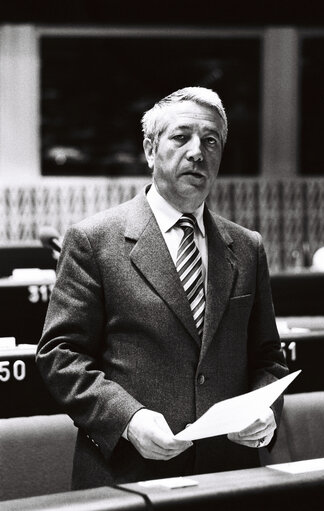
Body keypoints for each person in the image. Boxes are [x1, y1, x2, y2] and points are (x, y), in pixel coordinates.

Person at [36, 86, 288, 489]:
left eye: (211, 141)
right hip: (129, 476)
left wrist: (265, 409)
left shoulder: (246, 246)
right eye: (180, 136)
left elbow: (268, 358)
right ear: (151, 149)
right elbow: (60, 355)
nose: (197, 152)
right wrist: (128, 419)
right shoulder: (93, 240)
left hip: (229, 476)